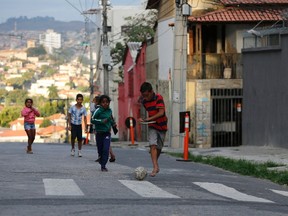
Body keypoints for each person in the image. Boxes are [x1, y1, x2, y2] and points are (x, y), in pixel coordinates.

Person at [139, 82, 168, 177]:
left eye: (147, 95)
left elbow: (161, 113)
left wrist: (149, 119)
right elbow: (145, 113)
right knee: (152, 145)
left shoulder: (158, 98)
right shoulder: (144, 102)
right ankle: (155, 167)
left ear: (151, 92)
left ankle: (156, 164)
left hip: (162, 126)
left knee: (158, 148)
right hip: (152, 126)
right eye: (143, 96)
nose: (145, 98)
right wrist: (142, 119)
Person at [91, 95, 116, 171]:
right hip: (99, 133)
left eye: (107, 102)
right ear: (100, 103)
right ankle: (101, 158)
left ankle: (103, 166)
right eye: (103, 102)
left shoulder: (109, 111)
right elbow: (92, 120)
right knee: (100, 150)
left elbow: (110, 119)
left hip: (107, 133)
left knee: (106, 149)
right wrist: (101, 121)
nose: (105, 104)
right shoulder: (98, 111)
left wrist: (113, 124)